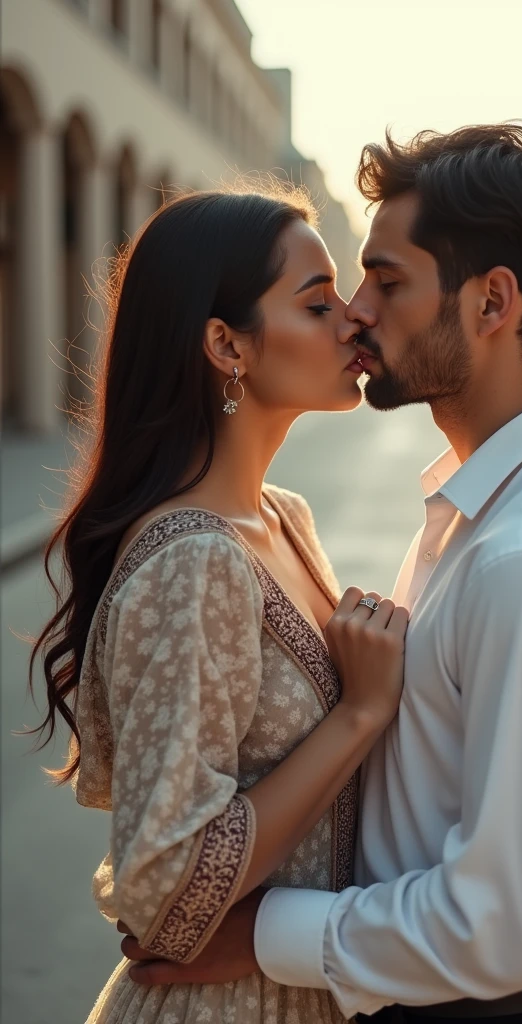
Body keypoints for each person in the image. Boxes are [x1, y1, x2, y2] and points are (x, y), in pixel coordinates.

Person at [121, 125, 522, 1023]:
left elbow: (503, 926)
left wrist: (260, 936)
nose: (359, 312)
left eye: (387, 281)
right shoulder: (479, 511)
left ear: (492, 302)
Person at [29, 185, 410, 1024]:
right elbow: (165, 890)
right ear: (225, 344)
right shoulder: (196, 561)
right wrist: (360, 713)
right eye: (318, 302)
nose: (353, 318)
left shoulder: (283, 516)